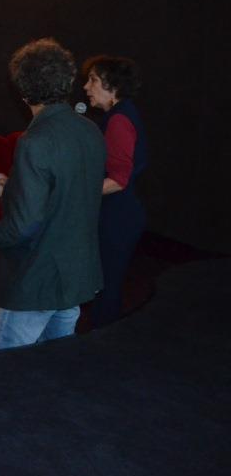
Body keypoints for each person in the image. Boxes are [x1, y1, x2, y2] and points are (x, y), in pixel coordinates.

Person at [0, 38, 105, 351]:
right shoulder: (90, 130)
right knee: (57, 369)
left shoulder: (34, 141)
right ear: (68, 80)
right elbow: (67, 191)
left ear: (22, 90)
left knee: (4, 375)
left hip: (37, 280)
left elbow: (23, 226)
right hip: (73, 275)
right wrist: (15, 185)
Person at [82, 55, 148, 328]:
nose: (86, 87)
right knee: (105, 287)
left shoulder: (119, 120)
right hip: (117, 215)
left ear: (113, 86)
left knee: (106, 290)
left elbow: (118, 180)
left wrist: (76, 191)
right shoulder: (119, 115)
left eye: (93, 80)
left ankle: (100, 356)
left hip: (117, 219)